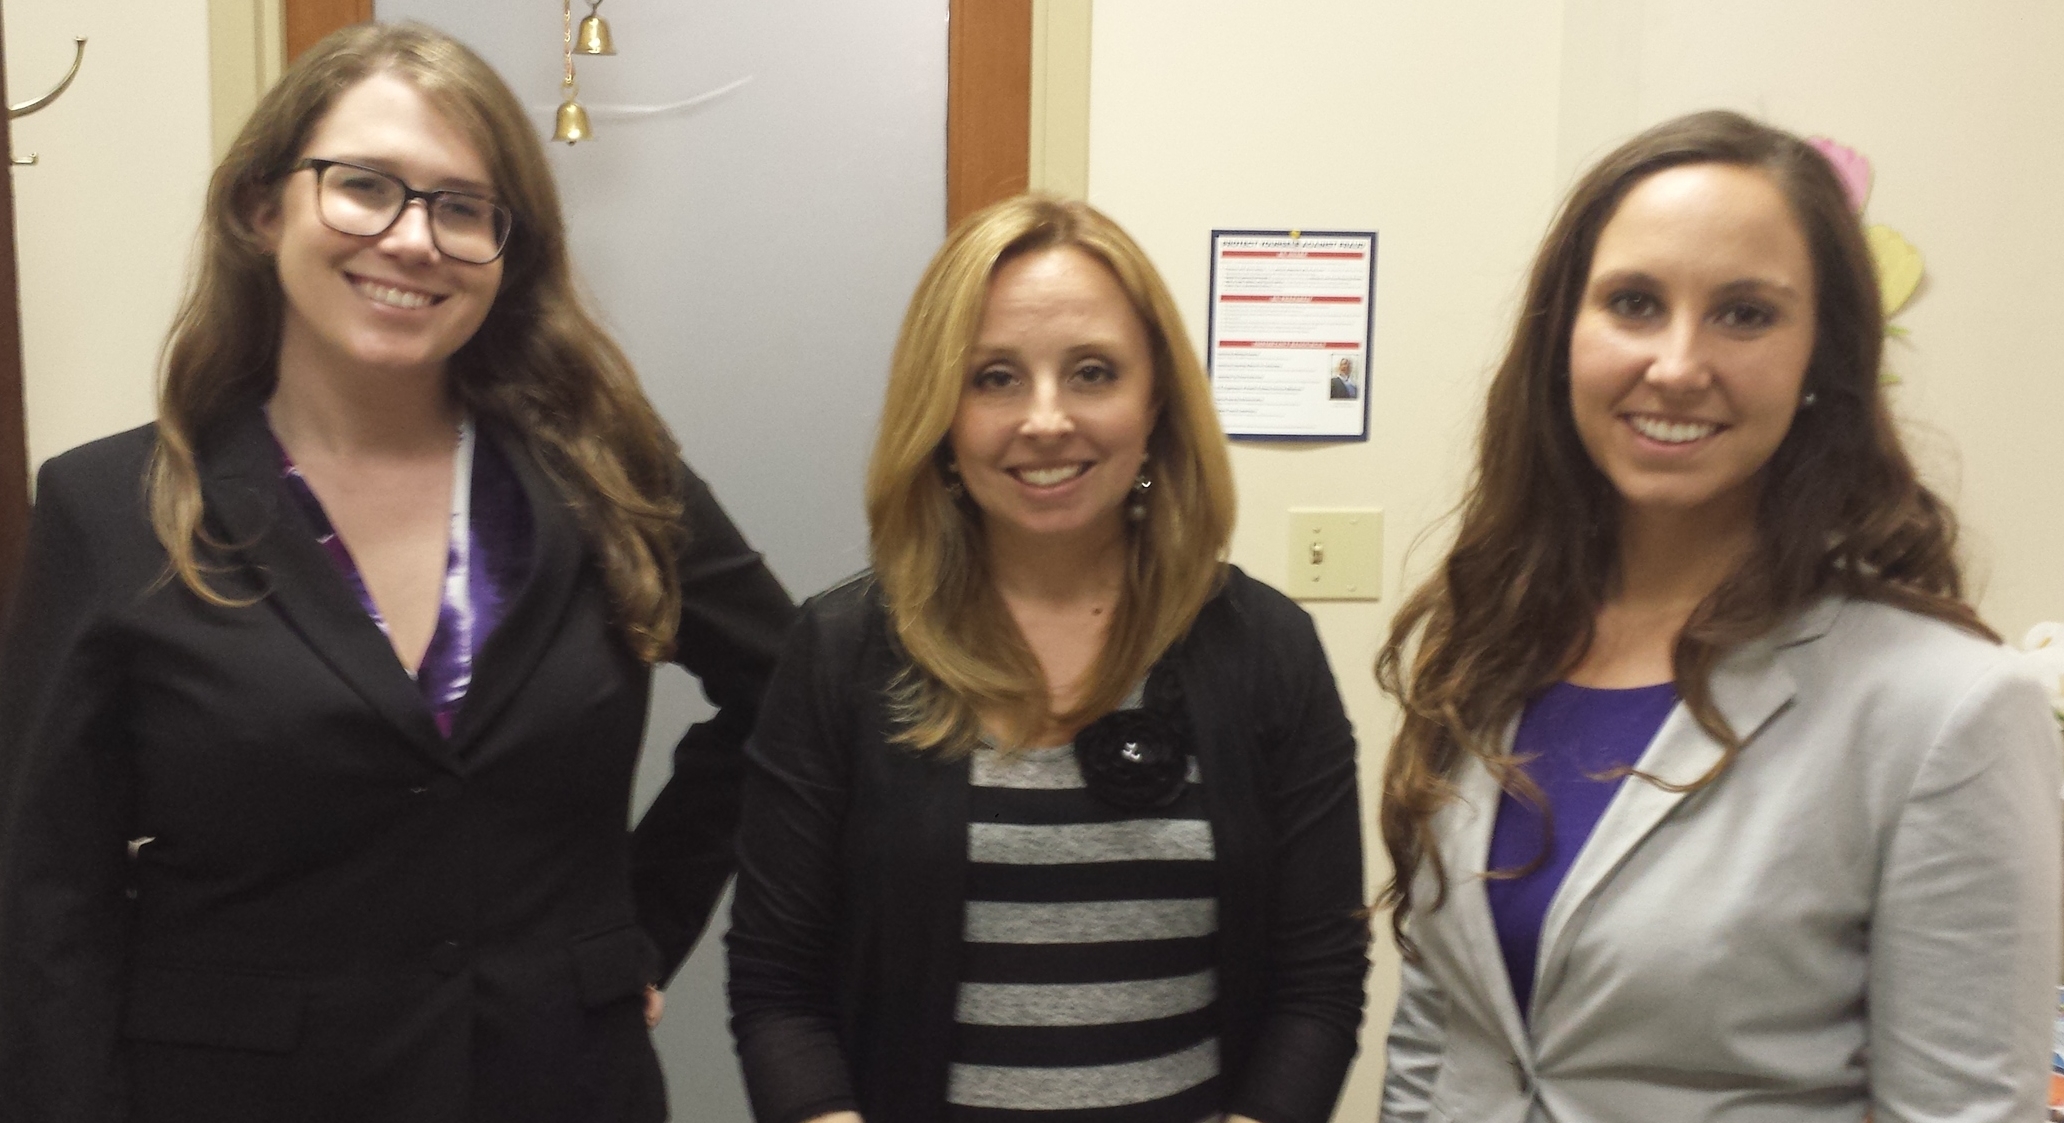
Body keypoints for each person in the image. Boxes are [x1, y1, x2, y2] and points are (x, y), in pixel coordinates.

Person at [0, 23, 794, 1123]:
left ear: (508, 252)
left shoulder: (612, 477)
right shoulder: (112, 508)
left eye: (463, 207)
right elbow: (47, 895)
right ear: (263, 208)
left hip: (561, 1088)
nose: (414, 239)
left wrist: (641, 925)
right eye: (364, 186)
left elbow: (787, 694)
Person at [1375, 110, 2062, 1122]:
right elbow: (1441, 1028)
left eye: (1745, 314)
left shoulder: (1945, 710)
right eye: (1634, 303)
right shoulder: (1494, 639)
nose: (1677, 363)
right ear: (1564, 334)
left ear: (1822, 357)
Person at [725, 196, 1369, 1123]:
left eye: (1092, 372)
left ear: (1156, 402)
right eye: (994, 377)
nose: (1046, 419)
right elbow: (777, 985)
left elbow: (1319, 977)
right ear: (942, 414)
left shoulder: (1264, 647)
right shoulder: (839, 651)